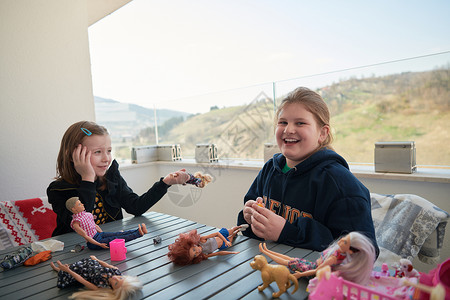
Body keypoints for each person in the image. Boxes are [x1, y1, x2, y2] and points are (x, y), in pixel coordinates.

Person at [237, 87, 378, 255]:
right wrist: (249, 218)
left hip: (316, 278)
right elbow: (248, 229)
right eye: (283, 122)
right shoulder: (269, 169)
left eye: (300, 123)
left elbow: (362, 251)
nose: (288, 129)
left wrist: (287, 232)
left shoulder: (340, 182)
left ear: (322, 133)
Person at [47, 120, 191, 236]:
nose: (106, 159)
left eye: (109, 151)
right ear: (73, 155)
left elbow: (136, 207)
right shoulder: (57, 190)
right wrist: (87, 178)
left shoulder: (112, 179)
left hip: (110, 245)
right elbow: (80, 226)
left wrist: (166, 182)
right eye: (97, 152)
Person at [259, 232, 376, 285]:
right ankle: (268, 251)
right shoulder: (341, 255)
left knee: (287, 261)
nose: (340, 240)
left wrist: (300, 275)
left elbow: (316, 271)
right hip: (311, 265)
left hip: (309, 269)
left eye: (345, 242)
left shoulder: (334, 258)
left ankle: (266, 252)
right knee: (290, 258)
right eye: (344, 238)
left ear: (350, 250)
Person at [66, 197, 147, 250]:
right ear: (74, 209)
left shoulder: (87, 214)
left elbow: (94, 225)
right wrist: (99, 244)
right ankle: (138, 234)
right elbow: (86, 236)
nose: (82, 204)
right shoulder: (76, 223)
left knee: (117, 234)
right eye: (79, 204)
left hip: (98, 235)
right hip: (93, 242)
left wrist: (103, 233)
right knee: (116, 238)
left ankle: (138, 230)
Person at [50, 255, 142, 300]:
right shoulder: (116, 271)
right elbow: (105, 264)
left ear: (113, 289)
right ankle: (62, 267)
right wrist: (97, 259)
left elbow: (82, 280)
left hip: (82, 273)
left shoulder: (102, 286)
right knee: (74, 265)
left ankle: (59, 269)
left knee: (69, 269)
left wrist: (68, 271)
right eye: (121, 278)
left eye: (116, 283)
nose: (116, 278)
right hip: (90, 265)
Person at [167, 226, 246, 265]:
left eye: (194, 250)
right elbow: (218, 253)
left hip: (220, 235)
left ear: (192, 244)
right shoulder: (204, 254)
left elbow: (216, 233)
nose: (197, 252)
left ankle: (239, 227)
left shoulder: (202, 240)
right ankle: (236, 233)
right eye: (195, 255)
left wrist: (225, 240)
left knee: (231, 230)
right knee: (231, 239)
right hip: (222, 245)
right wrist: (232, 252)